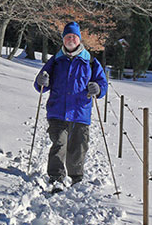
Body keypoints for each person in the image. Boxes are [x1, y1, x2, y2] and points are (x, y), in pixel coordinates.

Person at [33, 21, 108, 190]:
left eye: (74, 36)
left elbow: (102, 83)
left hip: (80, 112)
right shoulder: (56, 61)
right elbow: (41, 83)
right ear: (63, 40)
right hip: (57, 110)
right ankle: (56, 178)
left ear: (79, 39)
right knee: (59, 143)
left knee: (78, 147)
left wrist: (98, 88)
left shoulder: (90, 61)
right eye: (67, 37)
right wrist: (42, 81)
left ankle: (76, 178)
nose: (70, 39)